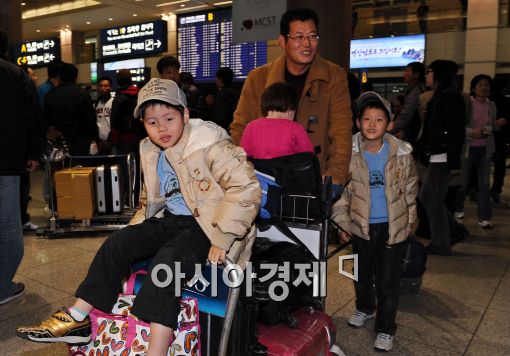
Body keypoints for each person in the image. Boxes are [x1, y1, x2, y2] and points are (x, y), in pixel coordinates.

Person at [16, 78, 261, 355]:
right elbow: (150, 204)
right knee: (118, 243)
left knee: (167, 263)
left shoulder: (208, 142)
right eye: (152, 122)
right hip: (174, 221)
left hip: (210, 223)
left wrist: (223, 236)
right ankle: (78, 317)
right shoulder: (151, 150)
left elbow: (246, 187)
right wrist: (133, 238)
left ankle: (155, 351)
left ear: (186, 114)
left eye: (169, 118)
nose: (162, 128)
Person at [332, 91, 418, 352]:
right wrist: (343, 223)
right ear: (357, 123)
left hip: (393, 227)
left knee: (388, 281)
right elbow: (341, 193)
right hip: (361, 226)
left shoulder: (402, 153)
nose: (372, 124)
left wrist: (410, 221)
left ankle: (385, 328)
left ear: (389, 124)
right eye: (366, 118)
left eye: (379, 119)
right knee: (361, 273)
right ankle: (365, 308)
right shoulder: (350, 153)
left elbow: (411, 188)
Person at [230, 8, 352, 186]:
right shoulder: (258, 78)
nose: (307, 44)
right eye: (298, 37)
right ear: (282, 41)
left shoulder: (334, 76)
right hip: (264, 180)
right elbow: (240, 129)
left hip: (315, 180)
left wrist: (335, 175)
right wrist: (244, 175)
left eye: (312, 36)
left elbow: (342, 132)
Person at [0, 29, 43, 304]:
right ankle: (3, 287)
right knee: (7, 224)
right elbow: (33, 118)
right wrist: (33, 152)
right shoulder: (15, 74)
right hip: (6, 161)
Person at [417, 60, 465, 255]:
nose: (427, 76)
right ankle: (454, 231)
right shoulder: (443, 96)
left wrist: (454, 162)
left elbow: (456, 130)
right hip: (439, 154)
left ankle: (442, 242)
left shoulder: (449, 97)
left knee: (431, 198)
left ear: (438, 75)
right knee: (428, 196)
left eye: (429, 72)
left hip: (443, 156)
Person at [454, 74, 501, 228]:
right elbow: (460, 126)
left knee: (485, 185)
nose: (484, 88)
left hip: (484, 149)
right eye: (480, 85)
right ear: (474, 88)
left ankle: (485, 218)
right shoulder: (468, 103)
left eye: (487, 85)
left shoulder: (491, 105)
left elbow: (492, 127)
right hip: (468, 149)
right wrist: (472, 132)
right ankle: (458, 208)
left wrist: (496, 125)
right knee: (463, 182)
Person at [240, 82, 314, 159]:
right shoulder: (295, 128)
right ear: (290, 108)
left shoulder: (251, 127)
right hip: (288, 170)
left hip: (257, 170)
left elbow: (243, 155)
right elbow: (309, 155)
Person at [44, 63, 98, 156]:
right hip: (81, 142)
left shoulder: (50, 94)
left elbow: (46, 119)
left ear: (59, 77)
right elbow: (90, 120)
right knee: (81, 168)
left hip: (59, 143)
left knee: (60, 169)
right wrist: (95, 139)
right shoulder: (83, 94)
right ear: (75, 77)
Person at [389, 62, 426, 145]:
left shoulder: (417, 91)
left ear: (416, 75)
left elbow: (406, 115)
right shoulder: (413, 90)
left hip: (415, 133)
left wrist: (388, 131)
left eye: (408, 71)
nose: (404, 74)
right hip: (412, 132)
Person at [489, 77, 509, 204]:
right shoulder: (506, 101)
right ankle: (496, 190)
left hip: (487, 136)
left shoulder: (488, 101)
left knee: (482, 165)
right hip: (502, 137)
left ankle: (476, 188)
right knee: (500, 165)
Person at [211, 67, 240, 132]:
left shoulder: (221, 94)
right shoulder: (236, 94)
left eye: (217, 78)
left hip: (222, 131)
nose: (215, 80)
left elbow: (219, 116)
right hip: (232, 129)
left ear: (220, 80)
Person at [94, 76, 114, 154]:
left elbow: (115, 123)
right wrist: (97, 140)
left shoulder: (114, 102)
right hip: (99, 142)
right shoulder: (96, 104)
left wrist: (110, 140)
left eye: (106, 86)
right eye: (101, 86)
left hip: (111, 141)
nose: (103, 88)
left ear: (110, 87)